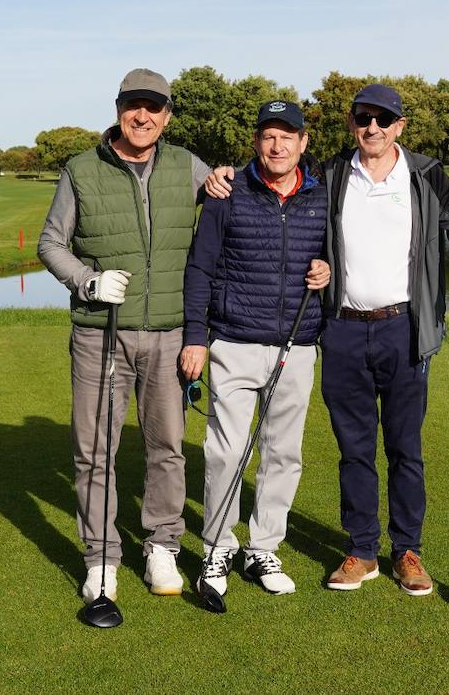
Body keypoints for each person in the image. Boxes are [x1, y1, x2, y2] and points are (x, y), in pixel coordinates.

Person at [206, 83, 449, 597]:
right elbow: (276, 165)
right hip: (343, 328)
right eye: (363, 118)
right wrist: (222, 174)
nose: (372, 128)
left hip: (404, 328)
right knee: (354, 449)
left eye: (383, 120)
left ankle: (407, 550)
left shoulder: (425, 173)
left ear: (399, 127)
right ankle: (362, 550)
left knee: (405, 447)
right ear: (351, 124)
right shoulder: (330, 173)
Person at [38, 68, 210, 603]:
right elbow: (50, 243)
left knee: (167, 448)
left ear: (167, 115)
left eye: (154, 107)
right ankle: (102, 559)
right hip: (100, 335)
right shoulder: (82, 169)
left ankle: (162, 545)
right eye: (134, 106)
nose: (144, 116)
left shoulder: (186, 165)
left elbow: (243, 199)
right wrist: (87, 281)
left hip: (169, 333)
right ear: (118, 109)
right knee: (95, 451)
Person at [180, 100, 330, 599]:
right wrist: (195, 338)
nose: (278, 145)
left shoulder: (320, 197)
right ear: (256, 142)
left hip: (298, 344)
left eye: (288, 136)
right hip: (235, 341)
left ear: (304, 142)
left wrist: (327, 273)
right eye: (268, 136)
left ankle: (263, 547)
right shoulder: (227, 191)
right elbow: (200, 268)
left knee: (283, 453)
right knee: (227, 451)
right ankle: (217, 547)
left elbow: (336, 259)